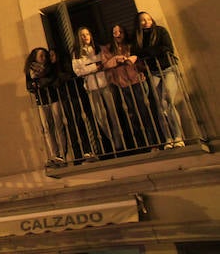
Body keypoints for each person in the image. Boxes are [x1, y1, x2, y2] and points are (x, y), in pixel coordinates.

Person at [102, 23, 158, 152]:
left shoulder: (131, 45)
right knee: (131, 115)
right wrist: (116, 59)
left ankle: (153, 143)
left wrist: (131, 59)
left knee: (145, 112)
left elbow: (141, 59)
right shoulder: (109, 49)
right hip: (121, 84)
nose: (118, 34)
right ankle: (141, 145)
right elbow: (105, 65)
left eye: (120, 31)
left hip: (137, 81)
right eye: (115, 32)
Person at [133, 12, 185, 149]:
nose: (146, 22)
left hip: (168, 68)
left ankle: (178, 136)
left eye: (148, 18)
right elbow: (136, 53)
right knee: (159, 105)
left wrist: (148, 52)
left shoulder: (160, 31)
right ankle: (168, 138)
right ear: (138, 23)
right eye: (142, 20)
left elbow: (167, 48)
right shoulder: (139, 38)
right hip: (153, 71)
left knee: (167, 100)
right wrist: (153, 51)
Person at [72, 26, 123, 155]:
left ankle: (119, 140)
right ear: (79, 38)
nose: (85, 37)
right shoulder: (76, 53)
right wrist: (95, 66)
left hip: (105, 84)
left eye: (87, 34)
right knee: (100, 116)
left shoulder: (98, 49)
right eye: (83, 35)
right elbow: (78, 71)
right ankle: (110, 138)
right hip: (92, 87)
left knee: (113, 113)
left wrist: (91, 67)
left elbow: (106, 63)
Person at [50, 47, 98, 163]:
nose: (51, 58)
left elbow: (70, 75)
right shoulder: (52, 69)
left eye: (52, 55)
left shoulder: (65, 65)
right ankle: (77, 154)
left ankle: (88, 150)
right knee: (71, 124)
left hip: (75, 95)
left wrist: (60, 78)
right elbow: (53, 82)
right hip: (65, 98)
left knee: (80, 121)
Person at [25, 47, 67, 166]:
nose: (43, 58)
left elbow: (51, 79)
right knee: (48, 128)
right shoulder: (30, 70)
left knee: (59, 125)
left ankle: (63, 154)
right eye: (41, 56)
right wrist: (36, 84)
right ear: (35, 58)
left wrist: (39, 83)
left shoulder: (50, 67)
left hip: (53, 98)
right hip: (42, 101)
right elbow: (29, 86)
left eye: (44, 55)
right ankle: (55, 154)